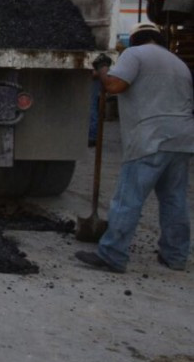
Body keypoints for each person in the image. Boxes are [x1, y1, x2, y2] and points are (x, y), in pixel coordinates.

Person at [75, 21, 194, 273]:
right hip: (182, 139)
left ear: (135, 40)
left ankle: (112, 255)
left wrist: (103, 69)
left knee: (128, 199)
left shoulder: (134, 54)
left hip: (150, 136)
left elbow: (115, 85)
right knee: (174, 200)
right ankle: (175, 256)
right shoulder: (178, 63)